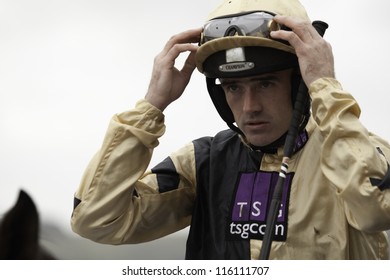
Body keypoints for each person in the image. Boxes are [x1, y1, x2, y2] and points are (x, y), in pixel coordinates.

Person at [70, 0, 390, 259]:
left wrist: (324, 84)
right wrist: (152, 105)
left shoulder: (358, 153)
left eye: (265, 83)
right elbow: (94, 221)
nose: (249, 106)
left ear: (299, 84)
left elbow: (377, 208)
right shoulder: (203, 162)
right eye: (234, 87)